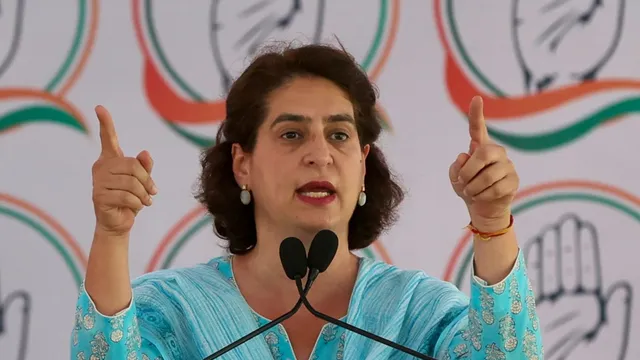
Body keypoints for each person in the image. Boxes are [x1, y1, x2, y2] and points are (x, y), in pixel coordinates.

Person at [70, 43, 543, 359]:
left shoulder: (417, 312)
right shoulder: (172, 310)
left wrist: (492, 218)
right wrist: (112, 233)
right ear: (243, 164)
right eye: (292, 134)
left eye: (338, 135)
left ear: (362, 164)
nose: (320, 155)